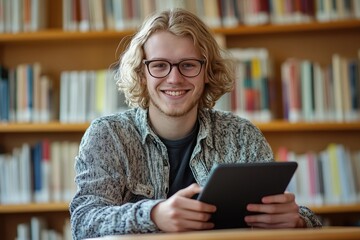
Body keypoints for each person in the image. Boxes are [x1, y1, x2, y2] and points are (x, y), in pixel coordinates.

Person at [69, 8, 322, 240]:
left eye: (188, 65)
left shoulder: (242, 135)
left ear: (207, 71)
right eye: (159, 66)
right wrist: (154, 214)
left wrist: (297, 222)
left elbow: (303, 218)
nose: (174, 78)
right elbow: (83, 221)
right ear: (141, 74)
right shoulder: (108, 136)